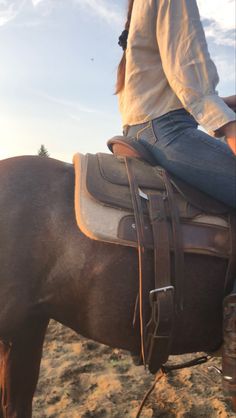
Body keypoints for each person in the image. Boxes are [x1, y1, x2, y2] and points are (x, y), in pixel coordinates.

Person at [116, 0, 236, 208]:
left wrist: (226, 103)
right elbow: (188, 71)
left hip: (139, 133)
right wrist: (229, 126)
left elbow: (165, 95)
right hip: (168, 134)